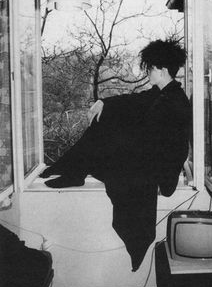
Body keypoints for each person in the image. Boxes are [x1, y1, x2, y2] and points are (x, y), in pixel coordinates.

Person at [40, 38, 191, 271]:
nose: (147, 73)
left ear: (161, 70)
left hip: (154, 166)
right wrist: (103, 102)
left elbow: (174, 147)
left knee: (107, 128)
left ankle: (72, 170)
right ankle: (74, 171)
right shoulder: (161, 93)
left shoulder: (175, 101)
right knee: (107, 119)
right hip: (145, 156)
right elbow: (133, 100)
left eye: (149, 68)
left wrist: (160, 171)